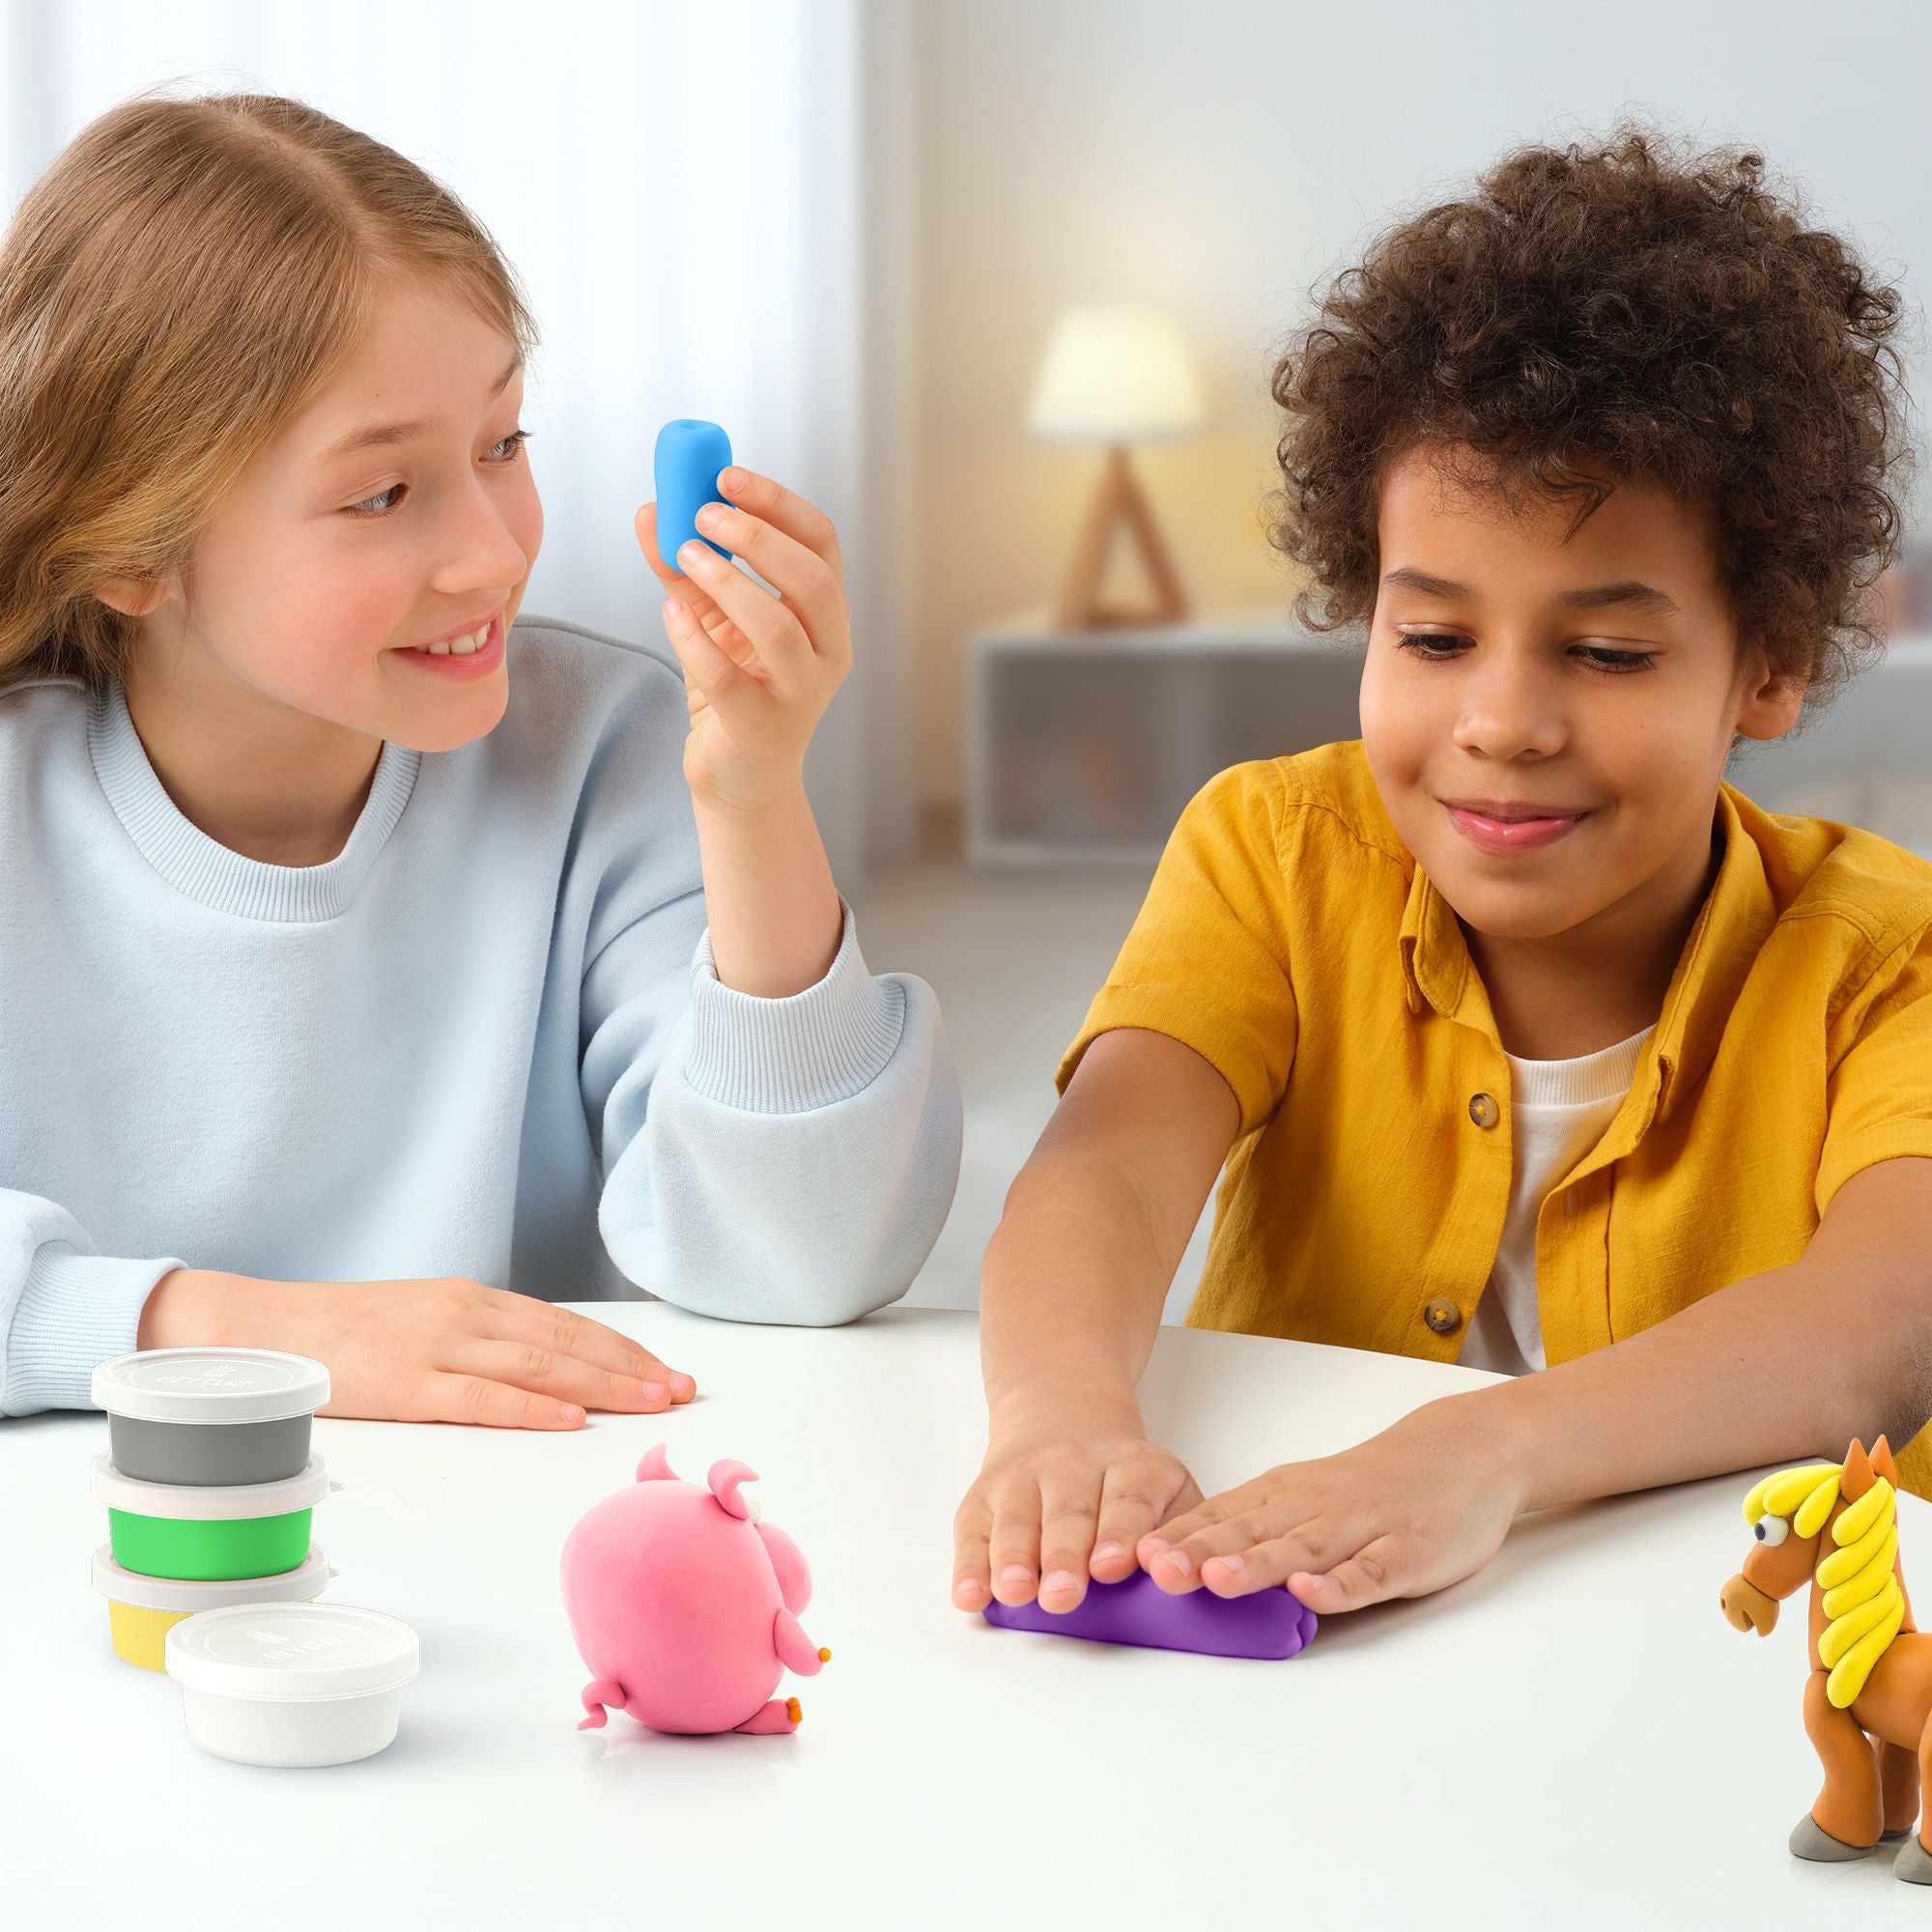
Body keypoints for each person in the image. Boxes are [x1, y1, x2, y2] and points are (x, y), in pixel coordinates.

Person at [952, 125, 1932, 1624]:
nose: (1501, 724)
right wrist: (1059, 1415)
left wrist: (1490, 1450)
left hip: (1709, 1653)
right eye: (1432, 638)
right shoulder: (1275, 851)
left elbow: (1872, 1328)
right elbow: (1105, 1168)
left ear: (1772, 667)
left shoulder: (1890, 953)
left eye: (1606, 652)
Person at [0, 93, 960, 1427]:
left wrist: (752, 797)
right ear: (127, 547)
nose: (500, 554)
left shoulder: (610, 754)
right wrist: (242, 1334)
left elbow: (808, 1262)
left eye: (504, 443)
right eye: (384, 492)